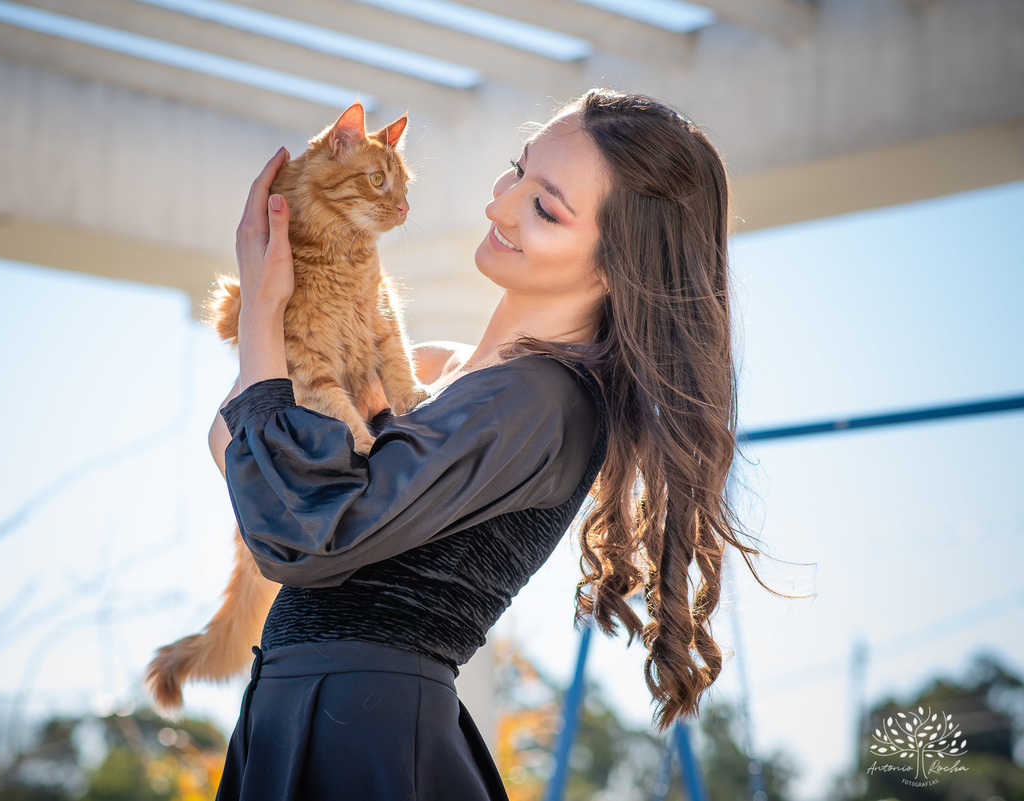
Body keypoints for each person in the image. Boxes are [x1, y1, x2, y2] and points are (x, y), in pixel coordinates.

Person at [208, 88, 779, 801]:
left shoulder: (542, 403)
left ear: (615, 265)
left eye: (544, 207)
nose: (499, 205)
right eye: (517, 170)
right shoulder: (442, 374)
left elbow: (302, 531)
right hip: (312, 717)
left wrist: (264, 313)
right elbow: (250, 450)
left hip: (365, 738)